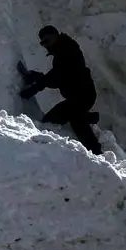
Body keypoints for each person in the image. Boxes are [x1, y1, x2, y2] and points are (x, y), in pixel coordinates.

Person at [19, 26, 103, 155]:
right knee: (51, 119)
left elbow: (58, 77)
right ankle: (89, 117)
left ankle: (95, 151)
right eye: (43, 43)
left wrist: (36, 84)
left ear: (55, 36)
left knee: (76, 119)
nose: (45, 45)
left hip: (83, 96)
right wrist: (38, 80)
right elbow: (56, 76)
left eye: (47, 40)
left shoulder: (67, 50)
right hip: (76, 97)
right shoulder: (62, 50)